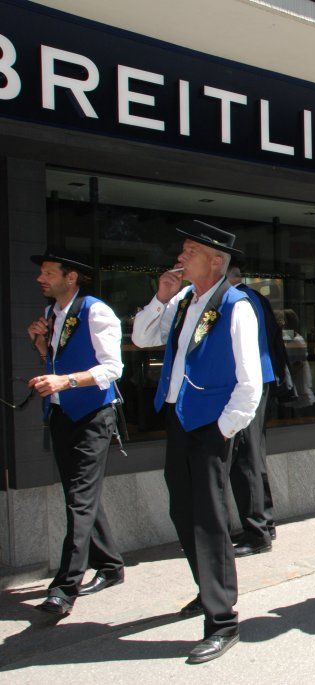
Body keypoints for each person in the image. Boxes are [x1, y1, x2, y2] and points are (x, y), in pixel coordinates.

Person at [131, 220, 262, 664]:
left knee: (209, 520)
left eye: (189, 251)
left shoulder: (236, 305)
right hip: (179, 420)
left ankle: (222, 621)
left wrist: (223, 429)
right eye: (183, 250)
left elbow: (250, 380)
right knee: (182, 511)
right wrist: (161, 298)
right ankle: (207, 591)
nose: (181, 257)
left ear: (215, 261)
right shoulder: (185, 300)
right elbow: (142, 337)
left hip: (209, 425)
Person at [24, 248, 125, 617]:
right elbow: (56, 361)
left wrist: (63, 381)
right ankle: (111, 565)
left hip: (94, 415)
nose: (41, 278)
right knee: (79, 495)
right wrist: (39, 342)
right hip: (63, 414)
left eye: (49, 272)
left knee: (78, 499)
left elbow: (113, 369)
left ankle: (66, 588)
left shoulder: (96, 311)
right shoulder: (53, 313)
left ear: (71, 277)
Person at [226, 266, 287, 555]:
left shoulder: (237, 300)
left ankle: (257, 530)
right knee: (253, 456)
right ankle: (264, 524)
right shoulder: (253, 298)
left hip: (247, 384)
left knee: (246, 458)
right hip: (260, 380)